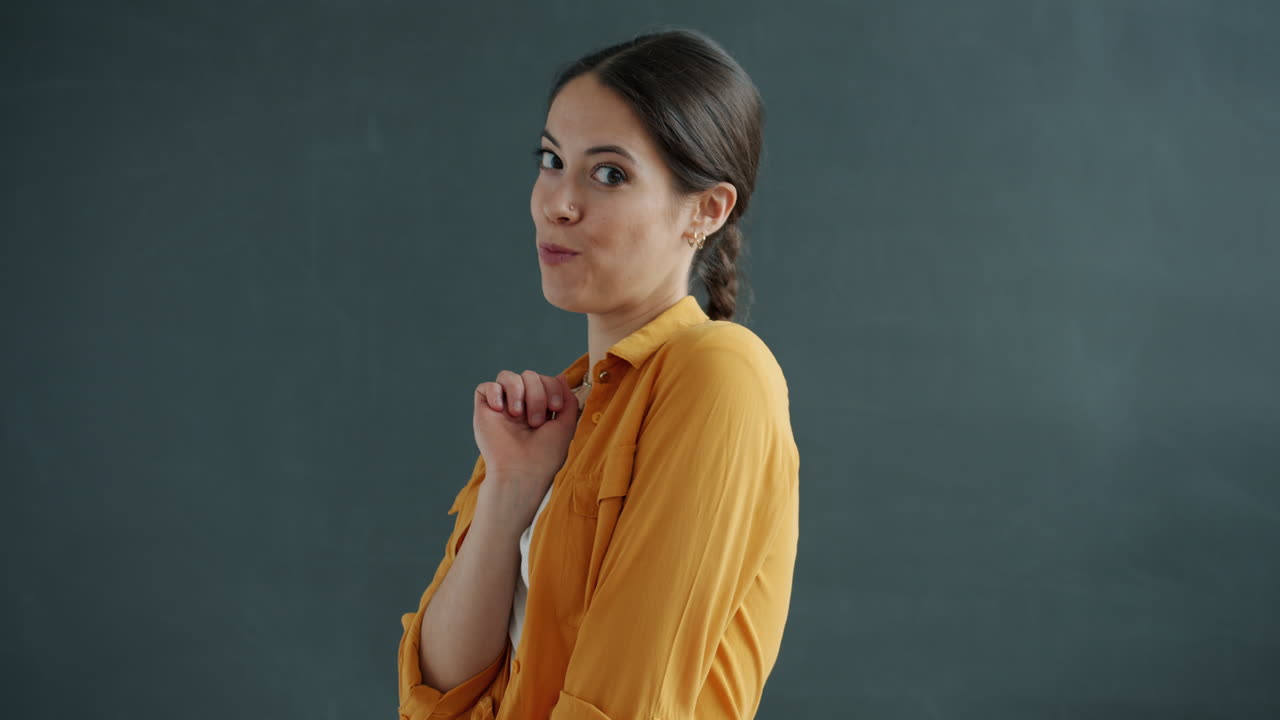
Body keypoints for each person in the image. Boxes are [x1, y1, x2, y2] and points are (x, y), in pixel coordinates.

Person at [397, 26, 800, 720]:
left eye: (608, 173)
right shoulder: (554, 415)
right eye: (551, 159)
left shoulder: (720, 375)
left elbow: (625, 705)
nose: (558, 201)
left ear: (707, 210)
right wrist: (511, 490)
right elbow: (436, 693)